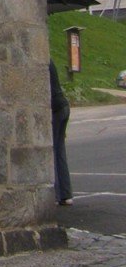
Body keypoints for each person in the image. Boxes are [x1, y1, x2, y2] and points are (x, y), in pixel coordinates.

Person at [49, 58, 73, 205]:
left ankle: (56, 195)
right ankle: (66, 193)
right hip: (63, 106)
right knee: (60, 152)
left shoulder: (42, 61)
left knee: (52, 151)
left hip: (55, 109)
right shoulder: (50, 61)